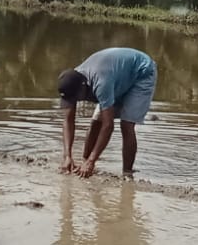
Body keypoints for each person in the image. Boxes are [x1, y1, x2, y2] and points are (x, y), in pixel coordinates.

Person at [57, 47, 156, 177]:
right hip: (117, 76)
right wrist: (67, 156)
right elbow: (68, 120)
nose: (74, 102)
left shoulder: (101, 83)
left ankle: (127, 174)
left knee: (126, 125)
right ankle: (84, 162)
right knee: (96, 122)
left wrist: (93, 161)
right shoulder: (71, 81)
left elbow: (108, 125)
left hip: (141, 72)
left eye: (75, 99)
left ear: (83, 88)